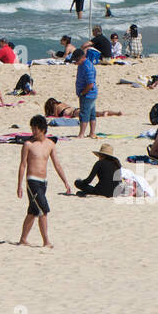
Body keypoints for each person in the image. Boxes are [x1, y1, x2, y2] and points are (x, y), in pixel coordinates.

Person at [17, 116, 74, 248]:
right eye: (32, 129)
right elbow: (22, 165)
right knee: (43, 210)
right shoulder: (28, 144)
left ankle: (23, 239)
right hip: (32, 181)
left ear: (42, 130)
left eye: (35, 129)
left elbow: (57, 165)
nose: (33, 132)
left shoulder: (50, 144)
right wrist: (19, 185)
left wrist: (65, 181)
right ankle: (46, 241)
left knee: (33, 212)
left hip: (44, 182)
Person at [76, 45, 97, 138]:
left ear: (81, 58)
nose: (75, 62)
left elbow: (90, 84)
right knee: (92, 113)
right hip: (90, 93)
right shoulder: (82, 65)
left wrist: (82, 93)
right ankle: (92, 133)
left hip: (88, 94)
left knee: (84, 114)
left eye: (76, 60)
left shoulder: (87, 66)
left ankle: (81, 134)